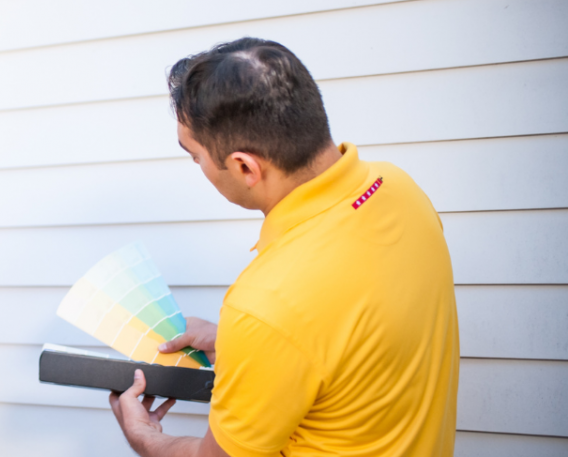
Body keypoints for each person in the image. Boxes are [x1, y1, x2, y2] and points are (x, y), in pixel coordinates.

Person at [109, 38, 460, 456]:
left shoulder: (268, 303)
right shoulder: (397, 188)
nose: (197, 166)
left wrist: (144, 436)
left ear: (244, 166)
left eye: (195, 156)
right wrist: (245, 345)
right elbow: (359, 335)